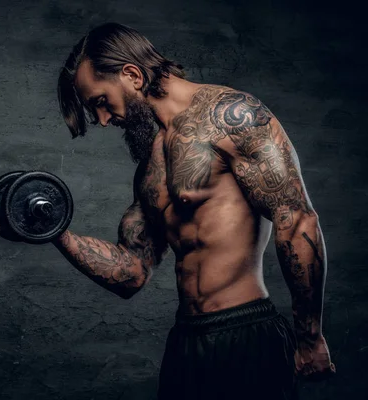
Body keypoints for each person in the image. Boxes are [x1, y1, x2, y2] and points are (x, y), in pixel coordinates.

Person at [55, 22, 335, 399]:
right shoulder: (151, 166)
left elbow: (295, 220)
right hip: (187, 341)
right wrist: (54, 231)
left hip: (246, 332)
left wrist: (310, 337)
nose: (103, 120)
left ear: (132, 75)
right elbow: (132, 271)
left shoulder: (233, 116)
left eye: (101, 102)